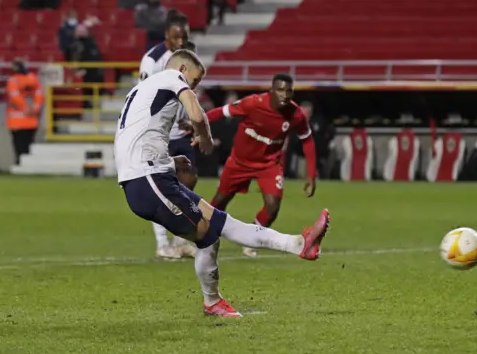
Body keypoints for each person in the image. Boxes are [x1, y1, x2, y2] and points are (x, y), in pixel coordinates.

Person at [114, 49, 330, 317]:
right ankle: (212, 302)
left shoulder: (140, 90)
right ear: (182, 70)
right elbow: (196, 114)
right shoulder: (171, 78)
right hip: (146, 180)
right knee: (207, 233)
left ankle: (298, 244)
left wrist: (169, 162)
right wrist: (204, 135)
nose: (193, 88)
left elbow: (132, 140)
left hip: (150, 175)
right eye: (193, 81)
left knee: (221, 222)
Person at [206, 74, 318, 258]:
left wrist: (311, 175)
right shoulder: (253, 103)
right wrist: (197, 124)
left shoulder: (296, 114)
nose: (285, 95)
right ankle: (202, 237)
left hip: (269, 165)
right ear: (271, 91)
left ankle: (252, 240)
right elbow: (221, 112)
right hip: (239, 162)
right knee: (219, 202)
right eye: (280, 90)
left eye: (289, 91)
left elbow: (307, 140)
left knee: (272, 207)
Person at [139, 9, 197, 259]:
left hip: (181, 132)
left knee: (188, 183)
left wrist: (191, 119)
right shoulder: (152, 60)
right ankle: (162, 244)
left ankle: (179, 241)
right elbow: (143, 95)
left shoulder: (188, 57)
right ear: (166, 35)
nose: (180, 43)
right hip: (158, 133)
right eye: (176, 38)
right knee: (160, 187)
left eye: (183, 38)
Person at [6, 58, 43, 165]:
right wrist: (35, 108)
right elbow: (39, 95)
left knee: (19, 145)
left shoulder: (13, 80)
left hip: (16, 120)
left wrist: (25, 108)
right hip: (32, 119)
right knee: (29, 144)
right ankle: (28, 165)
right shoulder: (33, 78)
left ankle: (20, 164)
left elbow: (15, 96)